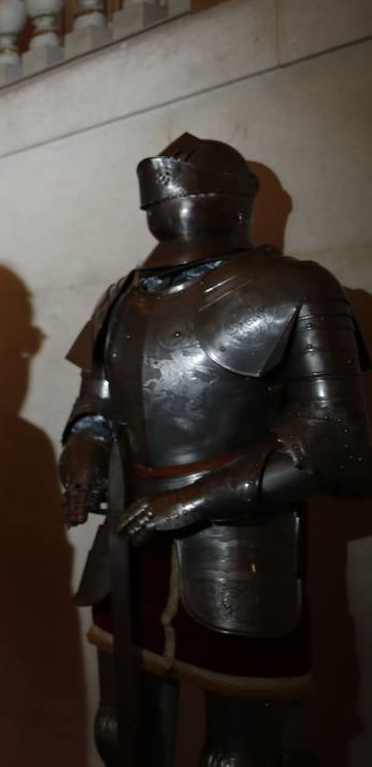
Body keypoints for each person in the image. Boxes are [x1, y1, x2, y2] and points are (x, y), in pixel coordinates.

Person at [57, 133, 372, 765]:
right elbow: (98, 404)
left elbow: (338, 444)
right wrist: (83, 456)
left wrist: (198, 501)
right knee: (123, 731)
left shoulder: (299, 287)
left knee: (243, 752)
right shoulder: (125, 293)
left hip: (241, 543)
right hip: (128, 538)